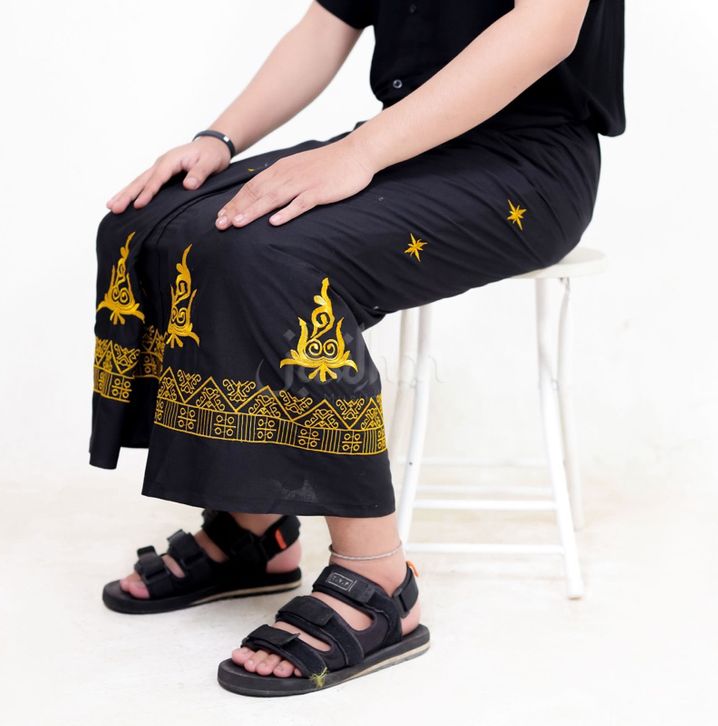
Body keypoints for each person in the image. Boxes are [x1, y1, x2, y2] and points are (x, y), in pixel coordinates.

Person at [91, 0, 625, 697]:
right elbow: (327, 24)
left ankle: (379, 579)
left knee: (274, 257)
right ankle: (254, 528)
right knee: (149, 223)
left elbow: (545, 28)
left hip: (525, 165)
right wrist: (219, 138)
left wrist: (360, 153)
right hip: (407, 143)